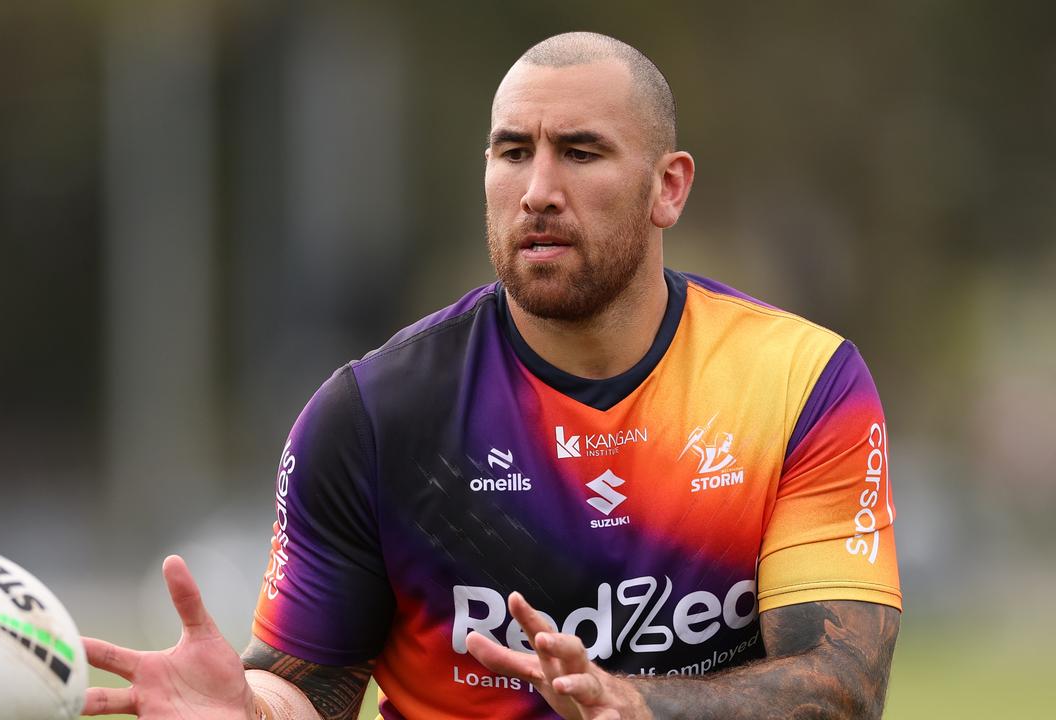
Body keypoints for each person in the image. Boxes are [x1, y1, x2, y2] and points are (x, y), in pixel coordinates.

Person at [83, 31, 901, 720]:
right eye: (514, 151)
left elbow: (841, 684)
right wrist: (249, 710)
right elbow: (312, 686)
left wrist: (634, 704)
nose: (539, 190)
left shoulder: (801, 383)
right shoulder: (374, 416)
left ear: (668, 188)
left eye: (581, 153)